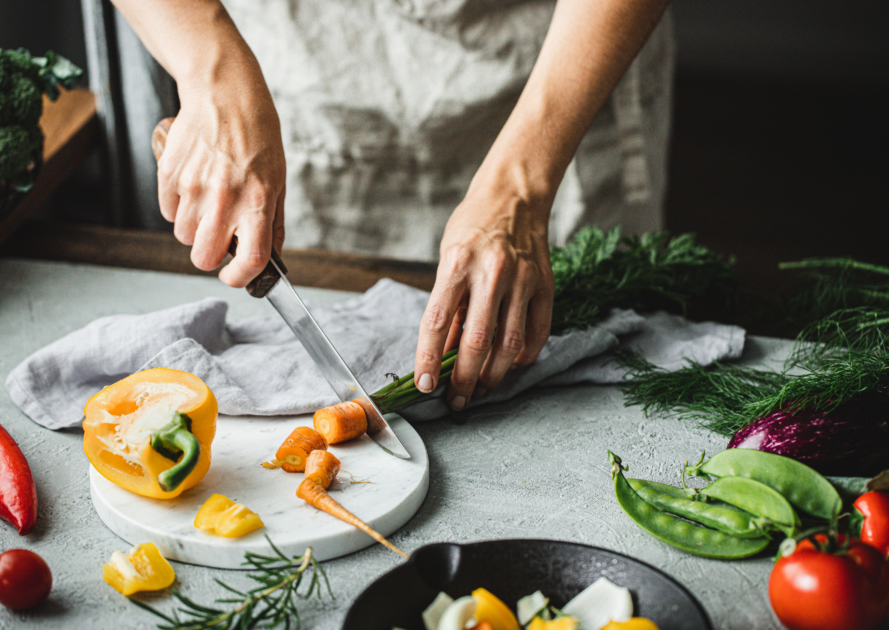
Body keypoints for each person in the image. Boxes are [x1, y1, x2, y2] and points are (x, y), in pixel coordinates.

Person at [109, 0, 672, 410]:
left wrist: (523, 184)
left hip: (556, 62)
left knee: (590, 327)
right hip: (303, 63)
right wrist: (211, 71)